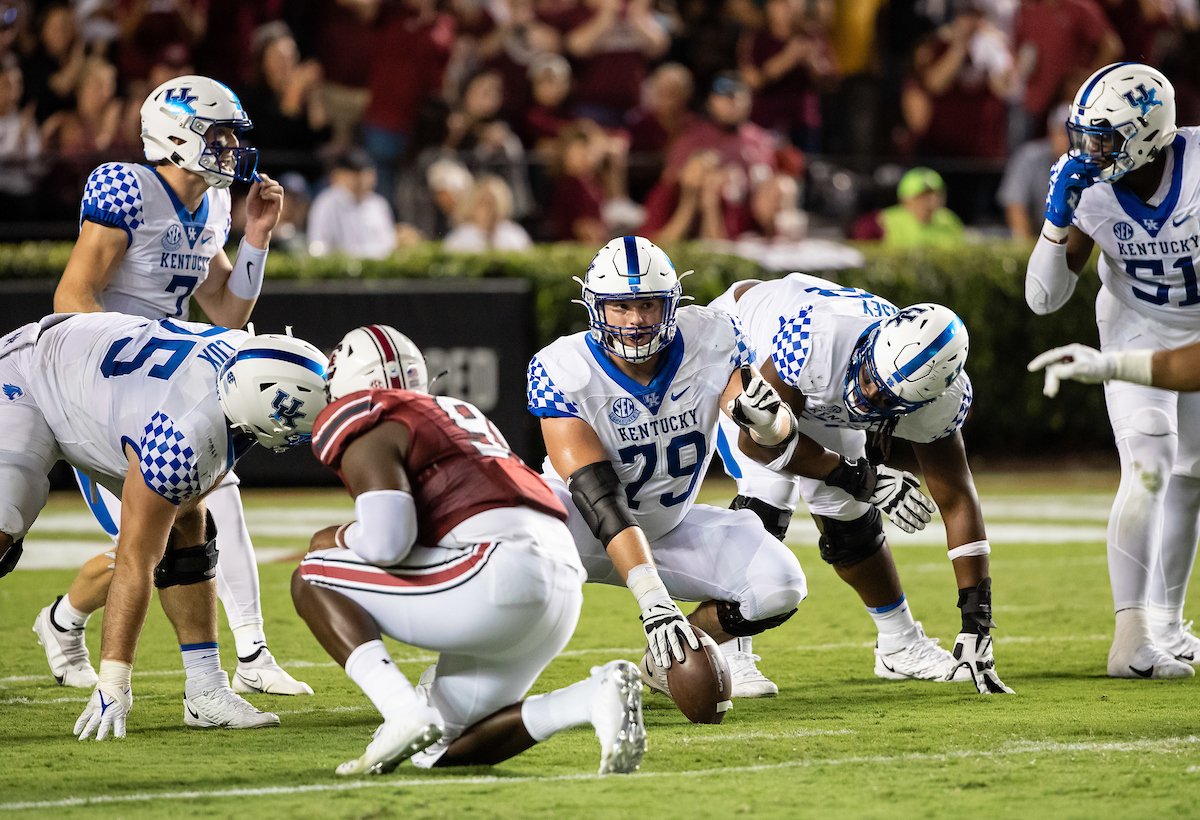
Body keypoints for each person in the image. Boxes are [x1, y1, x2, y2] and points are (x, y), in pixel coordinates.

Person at [33, 74, 315, 698]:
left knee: (214, 507)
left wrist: (257, 239)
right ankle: (64, 618)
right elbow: (71, 298)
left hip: (171, 385)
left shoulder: (212, 204)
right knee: (149, 545)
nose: (231, 148)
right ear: (177, 136)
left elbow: (227, 311)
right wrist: (136, 361)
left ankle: (253, 654)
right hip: (108, 391)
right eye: (219, 135)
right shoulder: (126, 188)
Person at [293, 325, 646, 776]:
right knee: (440, 747)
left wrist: (337, 537)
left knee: (314, 574)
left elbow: (387, 543)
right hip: (559, 580)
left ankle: (401, 710)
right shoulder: (457, 413)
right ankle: (591, 696)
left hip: (496, 572)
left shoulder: (373, 418)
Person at [0, 313, 329, 739]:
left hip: (101, 384)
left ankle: (207, 690)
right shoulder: (182, 435)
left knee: (189, 526)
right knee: (6, 523)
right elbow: (135, 561)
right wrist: (114, 681)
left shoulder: (249, 361)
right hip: (30, 378)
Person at [528, 236, 818, 700]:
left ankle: (665, 661)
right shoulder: (565, 367)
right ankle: (457, 679)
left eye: (648, 304)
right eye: (621, 307)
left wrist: (770, 421)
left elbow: (763, 425)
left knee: (779, 584)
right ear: (595, 306)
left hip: (667, 525)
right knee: (513, 562)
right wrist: (651, 598)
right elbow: (597, 495)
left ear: (672, 302)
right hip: (576, 529)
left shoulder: (712, 336)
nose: (636, 320)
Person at [710, 275, 1013, 694]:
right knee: (768, 494)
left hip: (819, 381)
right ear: (874, 343)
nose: (868, 394)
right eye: (871, 376)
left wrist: (977, 621)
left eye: (886, 398)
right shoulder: (816, 340)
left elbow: (957, 498)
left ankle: (899, 643)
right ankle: (729, 649)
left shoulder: (940, 400)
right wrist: (863, 478)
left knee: (850, 517)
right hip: (747, 341)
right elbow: (758, 443)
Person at [1024, 62, 1198, 679]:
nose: (1087, 152)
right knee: (1150, 459)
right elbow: (1043, 299)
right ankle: (1131, 638)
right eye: (1082, 136)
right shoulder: (1090, 187)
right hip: (1135, 322)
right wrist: (1056, 220)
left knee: (1191, 476)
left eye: (1102, 139)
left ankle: (1169, 627)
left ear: (1149, 133)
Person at [307, 149, 398, 259]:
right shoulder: (327, 202)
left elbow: (388, 244)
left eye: (367, 173)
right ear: (342, 174)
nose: (363, 178)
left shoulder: (379, 204)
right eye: (356, 172)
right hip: (341, 267)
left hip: (378, 267)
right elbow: (318, 246)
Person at [998, 104, 1070, 240]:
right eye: (1063, 133)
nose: (1070, 140)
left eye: (1076, 135)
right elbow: (1015, 206)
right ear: (1051, 132)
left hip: (1076, 239)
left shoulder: (1092, 163)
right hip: (1037, 237)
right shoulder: (1029, 157)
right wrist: (1026, 247)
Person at [850, 166, 964, 247]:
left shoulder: (949, 220)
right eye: (924, 195)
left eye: (937, 194)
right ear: (907, 199)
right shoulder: (881, 221)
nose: (933, 200)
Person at [443, 174, 533, 252]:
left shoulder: (514, 235)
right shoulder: (460, 237)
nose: (489, 210)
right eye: (483, 203)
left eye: (492, 203)